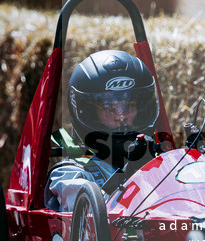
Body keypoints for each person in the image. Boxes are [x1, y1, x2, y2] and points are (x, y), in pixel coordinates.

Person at [44, 50, 160, 211]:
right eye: (109, 108)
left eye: (130, 106)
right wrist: (129, 175)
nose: (121, 116)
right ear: (89, 112)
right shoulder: (69, 174)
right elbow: (89, 223)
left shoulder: (161, 163)